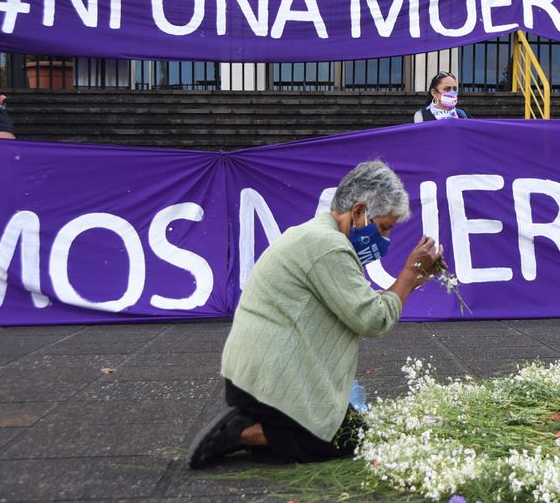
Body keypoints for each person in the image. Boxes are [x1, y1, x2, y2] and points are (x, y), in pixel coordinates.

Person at [188, 160, 441, 469]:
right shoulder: (328, 246)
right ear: (360, 212)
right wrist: (408, 274)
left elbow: (351, 303)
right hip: (267, 379)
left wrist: (408, 283)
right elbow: (373, 319)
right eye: (384, 227)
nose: (386, 239)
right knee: (349, 441)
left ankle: (270, 426)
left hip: (259, 375)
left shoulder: (319, 236)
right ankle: (245, 431)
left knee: (353, 431)